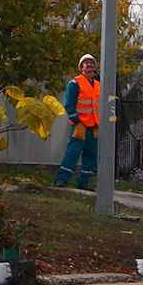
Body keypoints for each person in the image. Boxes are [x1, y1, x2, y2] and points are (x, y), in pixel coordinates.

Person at [53, 54, 100, 189]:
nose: (89, 64)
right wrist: (76, 121)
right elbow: (69, 104)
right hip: (81, 125)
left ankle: (83, 182)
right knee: (73, 152)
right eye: (86, 63)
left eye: (91, 62)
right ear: (81, 67)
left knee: (91, 155)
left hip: (94, 126)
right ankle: (61, 179)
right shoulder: (75, 83)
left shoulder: (98, 85)